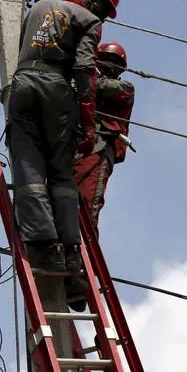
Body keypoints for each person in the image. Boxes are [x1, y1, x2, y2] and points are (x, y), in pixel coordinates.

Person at [6, 0, 121, 276]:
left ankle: (42, 245)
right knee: (60, 171)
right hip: (55, 89)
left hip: (22, 84)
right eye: (105, 13)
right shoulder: (89, 21)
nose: (103, 19)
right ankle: (68, 249)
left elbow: (22, 47)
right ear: (97, 3)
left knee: (27, 164)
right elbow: (84, 68)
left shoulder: (38, 8)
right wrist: (87, 121)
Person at [73, 41, 135, 236]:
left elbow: (101, 87)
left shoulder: (125, 87)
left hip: (100, 147)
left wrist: (82, 77)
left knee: (88, 198)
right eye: (105, 59)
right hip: (77, 145)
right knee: (65, 193)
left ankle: (87, 243)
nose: (109, 64)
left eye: (113, 61)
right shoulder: (85, 83)